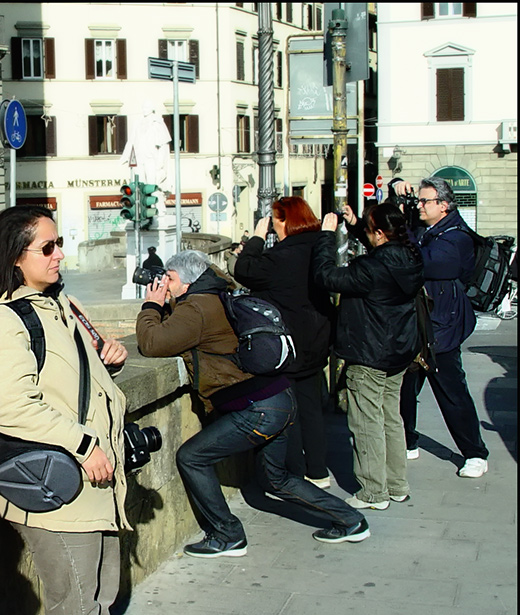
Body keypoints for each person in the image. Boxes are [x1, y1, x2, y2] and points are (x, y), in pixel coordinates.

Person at [0, 206, 160, 615]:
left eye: (59, 244)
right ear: (15, 256)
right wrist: (82, 443)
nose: (59, 255)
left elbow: (73, 375)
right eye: (47, 248)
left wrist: (108, 358)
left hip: (97, 476)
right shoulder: (1, 321)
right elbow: (12, 407)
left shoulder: (61, 303)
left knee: (101, 591)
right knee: (73, 599)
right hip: (58, 482)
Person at [135, 249, 369, 556]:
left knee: (192, 457)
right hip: (278, 397)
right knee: (276, 478)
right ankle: (351, 520)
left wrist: (151, 306)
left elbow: (152, 344)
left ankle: (227, 534)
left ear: (188, 281)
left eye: (171, 278)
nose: (166, 282)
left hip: (257, 409)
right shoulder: (216, 295)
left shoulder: (196, 308)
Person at [313, 205, 425, 510]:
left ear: (378, 234)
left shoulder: (370, 269)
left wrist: (326, 236)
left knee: (366, 421)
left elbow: (326, 276)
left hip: (370, 350)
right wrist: (358, 223)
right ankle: (397, 484)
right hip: (399, 349)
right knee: (392, 417)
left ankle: (374, 491)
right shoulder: (412, 257)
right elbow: (383, 239)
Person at [391, 176, 489, 478]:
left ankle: (475, 453)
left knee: (450, 389)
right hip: (419, 321)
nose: (418, 206)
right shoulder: (430, 228)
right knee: (406, 387)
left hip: (442, 326)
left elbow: (423, 262)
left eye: (424, 201)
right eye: (418, 200)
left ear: (443, 205)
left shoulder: (455, 237)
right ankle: (408, 442)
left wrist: (406, 232)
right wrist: (397, 189)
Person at [233, 197, 335, 488]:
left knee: (290, 412)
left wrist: (255, 237)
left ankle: (295, 473)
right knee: (312, 407)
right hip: (317, 338)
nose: (274, 227)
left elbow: (244, 270)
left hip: (288, 346)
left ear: (285, 222)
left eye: (276, 221)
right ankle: (318, 472)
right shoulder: (319, 246)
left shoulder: (282, 256)